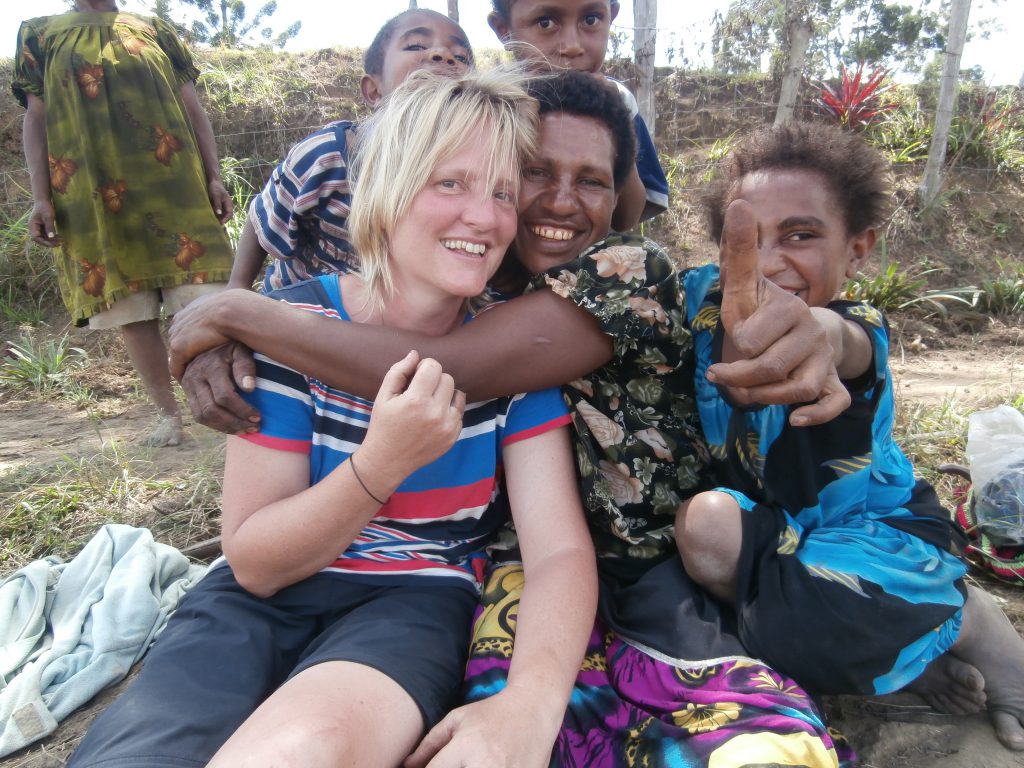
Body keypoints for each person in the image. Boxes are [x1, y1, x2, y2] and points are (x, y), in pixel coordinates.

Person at [172, 71, 856, 766]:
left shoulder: (626, 266)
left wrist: (239, 311)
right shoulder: (482, 274)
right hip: (520, 565)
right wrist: (235, 335)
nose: (558, 199)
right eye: (531, 176)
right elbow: (379, 319)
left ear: (620, 195)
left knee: (747, 737)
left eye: (591, 180)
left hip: (652, 561)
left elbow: (454, 368)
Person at [69, 67, 597, 768]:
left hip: (413, 597)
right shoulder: (295, 328)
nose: (486, 216)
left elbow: (558, 549)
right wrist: (382, 464)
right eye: (451, 183)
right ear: (387, 190)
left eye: (503, 191)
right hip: (257, 602)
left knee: (304, 751)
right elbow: (255, 563)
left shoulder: (508, 358)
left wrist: (530, 704)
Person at [678, 121, 1024, 751]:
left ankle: (968, 619)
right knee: (702, 532)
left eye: (802, 236)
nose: (772, 261)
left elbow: (839, 344)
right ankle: (904, 661)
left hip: (870, 536)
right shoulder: (697, 301)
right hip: (766, 532)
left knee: (809, 614)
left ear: (857, 248)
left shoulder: (855, 327)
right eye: (751, 240)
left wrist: (825, 338)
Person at [13, 0, 234, 447]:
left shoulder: (156, 29)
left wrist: (214, 176)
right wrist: (41, 198)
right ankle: (168, 416)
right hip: (90, 192)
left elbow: (192, 110)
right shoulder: (40, 34)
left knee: (201, 301)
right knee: (131, 311)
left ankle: (221, 402)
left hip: (173, 183)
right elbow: (35, 118)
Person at [226, 8, 473, 293]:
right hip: (300, 316)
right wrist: (236, 292)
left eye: (462, 56)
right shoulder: (327, 156)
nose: (443, 54)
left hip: (392, 322)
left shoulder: (473, 169)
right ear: (373, 91)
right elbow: (262, 219)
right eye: (416, 45)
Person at [486, 0, 668, 231]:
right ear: (504, 29)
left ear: (610, 16)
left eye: (590, 19)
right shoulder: (489, 106)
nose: (572, 46)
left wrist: (617, 123)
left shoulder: (620, 101)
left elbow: (625, 219)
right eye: (546, 22)